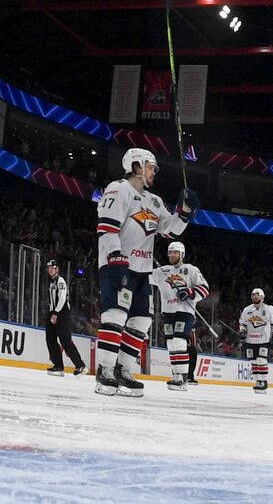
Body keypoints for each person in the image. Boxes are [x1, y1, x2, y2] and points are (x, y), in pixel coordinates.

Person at [93, 148, 197, 397]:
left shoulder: (154, 201)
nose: (154, 172)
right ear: (137, 166)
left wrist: (184, 212)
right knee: (115, 316)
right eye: (151, 167)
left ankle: (122, 370)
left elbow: (170, 231)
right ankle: (104, 370)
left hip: (143, 271)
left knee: (141, 322)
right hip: (118, 264)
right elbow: (107, 225)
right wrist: (115, 256)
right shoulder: (119, 189)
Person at [151, 241, 209, 391]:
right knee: (171, 344)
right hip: (168, 311)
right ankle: (176, 375)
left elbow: (204, 288)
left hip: (184, 311)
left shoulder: (190, 270)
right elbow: (145, 276)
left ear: (182, 254)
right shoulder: (162, 271)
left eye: (175, 252)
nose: (172, 255)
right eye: (170, 252)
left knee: (179, 341)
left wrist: (190, 293)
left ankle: (183, 378)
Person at [45, 259, 86, 377]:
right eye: (48, 268)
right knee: (50, 339)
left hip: (61, 313)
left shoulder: (60, 281)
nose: (50, 270)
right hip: (54, 312)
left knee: (65, 339)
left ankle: (80, 365)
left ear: (57, 269)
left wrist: (56, 313)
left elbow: (62, 298)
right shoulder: (52, 282)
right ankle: (58, 365)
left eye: (52, 267)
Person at [239, 287, 273, 393]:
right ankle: (257, 381)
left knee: (261, 361)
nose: (255, 296)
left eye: (257, 294)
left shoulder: (268, 309)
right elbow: (242, 323)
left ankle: (264, 381)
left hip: (264, 340)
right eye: (253, 294)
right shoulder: (247, 310)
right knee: (253, 362)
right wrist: (242, 332)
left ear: (262, 297)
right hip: (250, 340)